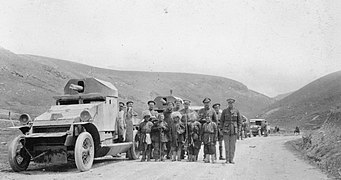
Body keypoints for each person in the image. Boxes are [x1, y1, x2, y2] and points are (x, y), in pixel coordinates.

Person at [220, 98, 241, 164]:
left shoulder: (236, 111)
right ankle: (227, 159)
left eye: (231, 103)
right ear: (228, 103)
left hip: (234, 130)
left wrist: (239, 130)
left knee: (232, 146)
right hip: (226, 130)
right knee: (227, 145)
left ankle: (231, 159)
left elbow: (239, 122)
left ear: (233, 103)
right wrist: (221, 129)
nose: (230, 104)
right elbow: (221, 121)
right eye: (229, 103)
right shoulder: (224, 111)